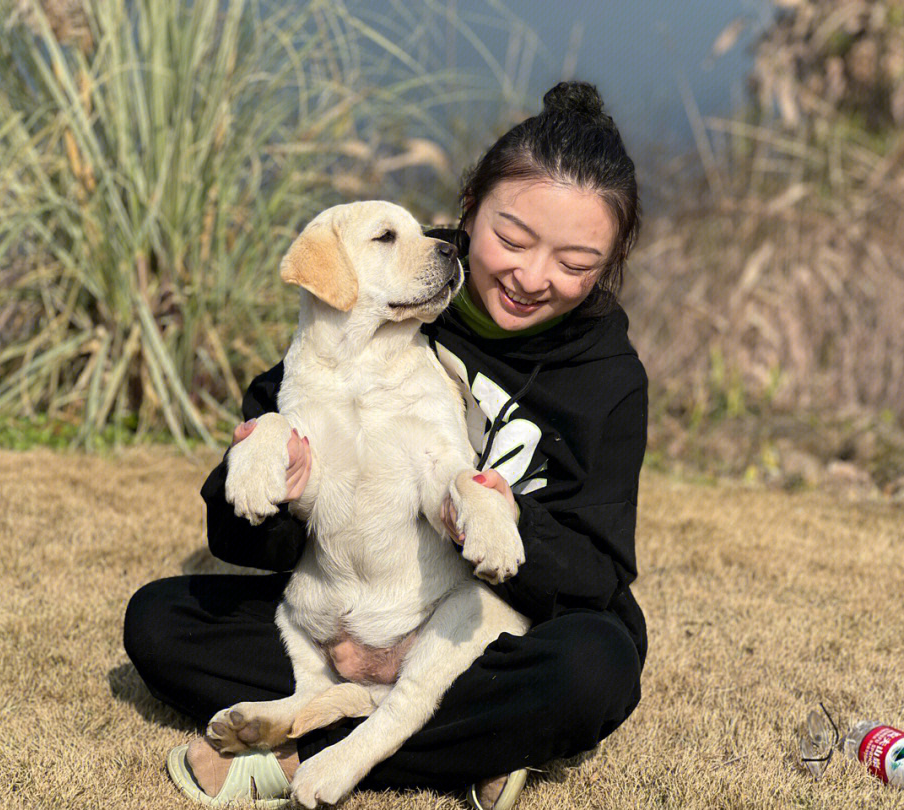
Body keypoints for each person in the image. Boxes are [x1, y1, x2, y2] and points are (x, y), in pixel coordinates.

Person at [124, 80, 648, 810]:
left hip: (493, 630)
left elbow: (596, 571)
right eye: (514, 239)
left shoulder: (608, 377)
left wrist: (495, 520)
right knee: (159, 621)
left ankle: (303, 748)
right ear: (469, 208)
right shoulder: (398, 278)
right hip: (350, 610)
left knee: (595, 665)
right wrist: (280, 490)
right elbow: (238, 529)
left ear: (610, 261)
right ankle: (489, 746)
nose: (532, 277)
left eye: (575, 262)